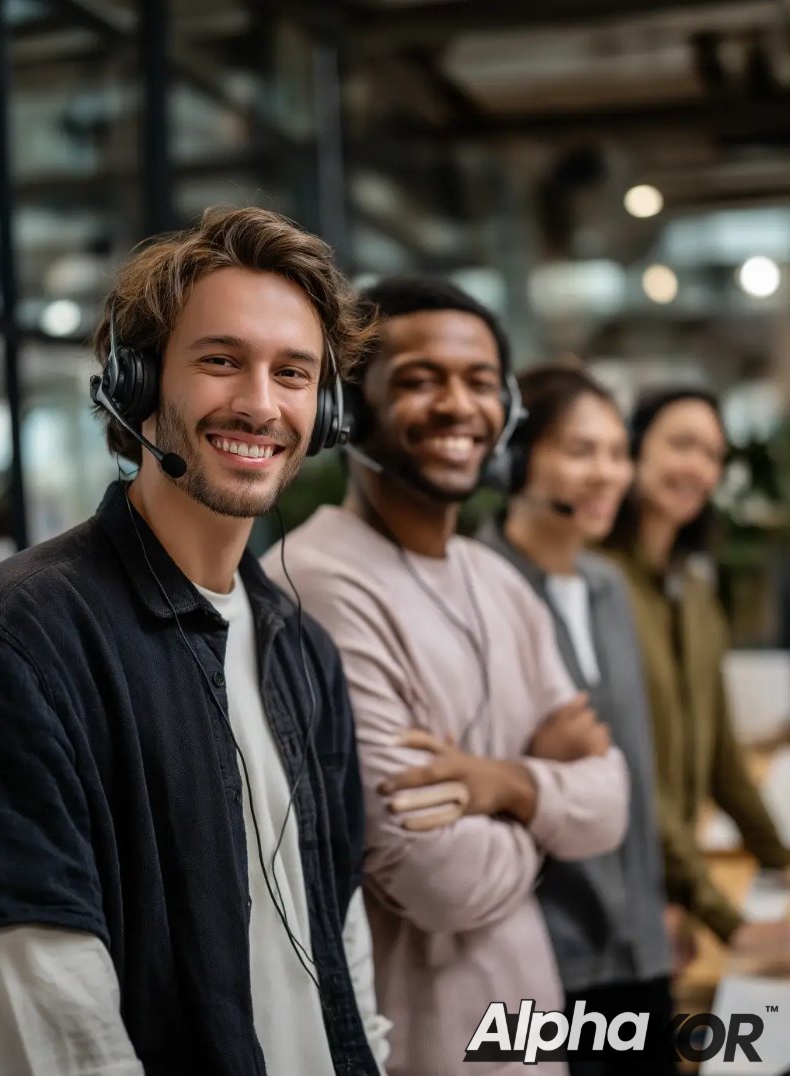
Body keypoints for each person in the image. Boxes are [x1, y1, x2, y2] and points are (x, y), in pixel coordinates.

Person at [0, 205, 387, 1076]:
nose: (258, 403)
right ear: (135, 384)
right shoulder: (28, 637)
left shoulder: (302, 650)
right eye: (220, 361)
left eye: (292, 373)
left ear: (321, 412)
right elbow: (52, 1015)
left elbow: (342, 939)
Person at [262, 277, 629, 1076]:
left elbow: (615, 802)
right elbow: (436, 878)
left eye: (479, 382)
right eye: (421, 380)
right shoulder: (319, 584)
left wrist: (499, 785)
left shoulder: (495, 577)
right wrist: (550, 796)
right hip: (418, 1046)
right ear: (349, 410)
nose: (457, 406)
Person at [476, 364, 679, 1075]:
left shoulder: (608, 585)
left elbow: (638, 776)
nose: (607, 474)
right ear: (515, 458)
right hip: (543, 964)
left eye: (617, 452)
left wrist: (657, 913)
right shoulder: (478, 583)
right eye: (579, 450)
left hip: (639, 949)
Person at [604, 386, 790, 954]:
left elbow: (722, 760)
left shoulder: (695, 589)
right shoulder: (595, 584)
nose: (699, 467)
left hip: (671, 888)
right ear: (633, 451)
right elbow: (624, 770)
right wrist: (727, 921)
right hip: (611, 895)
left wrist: (779, 859)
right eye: (681, 444)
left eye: (712, 454)